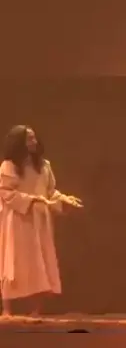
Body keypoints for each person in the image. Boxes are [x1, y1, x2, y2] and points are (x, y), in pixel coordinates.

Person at [0, 125, 83, 318]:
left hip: (39, 221)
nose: (34, 142)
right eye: (29, 139)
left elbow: (50, 191)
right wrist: (32, 201)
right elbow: (5, 192)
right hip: (18, 220)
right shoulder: (9, 167)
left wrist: (64, 199)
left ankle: (36, 309)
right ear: (19, 143)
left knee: (39, 261)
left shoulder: (44, 166)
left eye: (34, 138)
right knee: (13, 261)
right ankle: (7, 309)